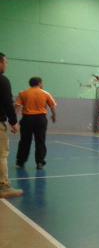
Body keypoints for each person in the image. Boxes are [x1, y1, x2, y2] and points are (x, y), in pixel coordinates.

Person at [14, 76, 57, 170]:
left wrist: (13, 120)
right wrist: (54, 116)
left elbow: (17, 107)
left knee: (24, 141)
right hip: (40, 119)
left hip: (27, 119)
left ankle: (20, 161)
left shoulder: (22, 93)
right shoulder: (45, 93)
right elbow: (53, 107)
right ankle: (40, 162)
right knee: (40, 141)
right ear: (39, 83)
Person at [0, 53, 23, 198]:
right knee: (1, 154)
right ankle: (3, 187)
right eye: (5, 63)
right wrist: (13, 122)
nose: (6, 65)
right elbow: (8, 103)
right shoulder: (2, 81)